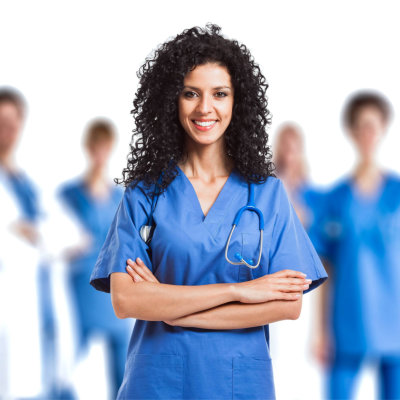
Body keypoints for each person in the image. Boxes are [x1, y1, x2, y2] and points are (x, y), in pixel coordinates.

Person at [89, 24, 328, 400]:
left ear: (238, 101)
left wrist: (169, 308)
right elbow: (126, 300)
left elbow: (288, 303)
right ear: (172, 100)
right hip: (156, 381)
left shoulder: (266, 193)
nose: (205, 108)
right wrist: (243, 291)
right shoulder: (146, 191)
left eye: (219, 94)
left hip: (238, 384)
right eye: (191, 94)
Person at [310, 91, 400, 399]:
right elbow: (325, 268)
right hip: (348, 319)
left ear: (384, 129)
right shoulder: (336, 199)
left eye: (374, 126)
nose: (368, 134)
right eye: (362, 126)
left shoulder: (398, 193)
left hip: (395, 320)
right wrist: (320, 330)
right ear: (351, 131)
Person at [58, 118, 132, 399]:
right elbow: (57, 237)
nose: (100, 153)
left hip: (113, 286)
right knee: (65, 362)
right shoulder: (70, 195)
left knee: (123, 367)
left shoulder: (119, 197)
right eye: (95, 146)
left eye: (105, 147)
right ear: (88, 148)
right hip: (80, 286)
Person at [0, 86, 49, 399]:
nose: (9, 130)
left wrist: (33, 231)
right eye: (2, 122)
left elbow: (56, 234)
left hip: (34, 294)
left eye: (14, 122)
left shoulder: (26, 181)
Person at [273, 122, 323, 230]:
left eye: (293, 147)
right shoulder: (273, 183)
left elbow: (312, 221)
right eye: (286, 146)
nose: (290, 152)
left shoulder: (307, 189)